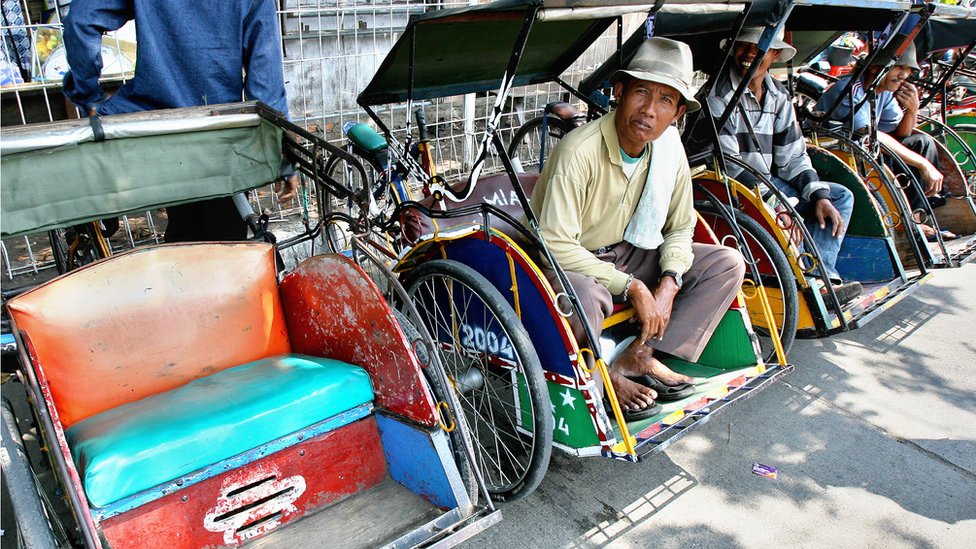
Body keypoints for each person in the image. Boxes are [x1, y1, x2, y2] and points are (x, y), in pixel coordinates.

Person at [530, 37, 746, 420]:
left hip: (632, 250)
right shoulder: (578, 151)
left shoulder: (669, 149)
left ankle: (639, 356)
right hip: (573, 262)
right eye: (641, 93)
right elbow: (556, 244)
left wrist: (669, 281)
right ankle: (598, 377)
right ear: (619, 92)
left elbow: (681, 226)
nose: (649, 110)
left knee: (726, 263)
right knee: (581, 293)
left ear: (678, 112)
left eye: (665, 100)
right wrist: (633, 286)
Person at [62, 0, 297, 242]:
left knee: (183, 229)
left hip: (160, 128)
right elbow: (265, 80)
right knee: (226, 236)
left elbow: (82, 19)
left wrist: (88, 95)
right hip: (220, 132)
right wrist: (282, 155)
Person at [707, 26, 862, 304]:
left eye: (759, 49)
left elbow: (792, 156)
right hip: (734, 187)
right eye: (743, 46)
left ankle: (822, 276)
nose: (748, 54)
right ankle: (814, 282)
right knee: (792, 209)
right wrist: (779, 206)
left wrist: (819, 196)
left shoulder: (777, 95)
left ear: (775, 54)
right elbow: (730, 165)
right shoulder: (718, 95)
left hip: (767, 183)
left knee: (838, 197)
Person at [816, 40, 954, 241]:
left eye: (907, 70)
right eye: (899, 68)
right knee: (904, 156)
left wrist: (913, 109)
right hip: (841, 153)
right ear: (875, 68)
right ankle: (910, 224)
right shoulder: (851, 89)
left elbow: (902, 133)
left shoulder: (884, 93)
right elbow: (871, 134)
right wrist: (923, 165)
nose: (904, 75)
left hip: (867, 148)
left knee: (921, 142)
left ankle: (917, 217)